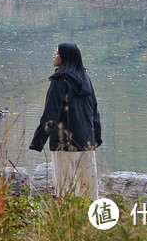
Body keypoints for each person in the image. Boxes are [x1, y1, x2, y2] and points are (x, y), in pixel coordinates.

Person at [29, 42, 102, 199]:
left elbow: (51, 114)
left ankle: (67, 222)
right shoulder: (85, 80)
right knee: (88, 190)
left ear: (65, 57)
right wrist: (97, 137)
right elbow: (94, 110)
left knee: (65, 189)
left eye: (57, 52)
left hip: (63, 143)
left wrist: (38, 141)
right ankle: (90, 221)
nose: (54, 55)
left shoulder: (59, 81)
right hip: (86, 142)